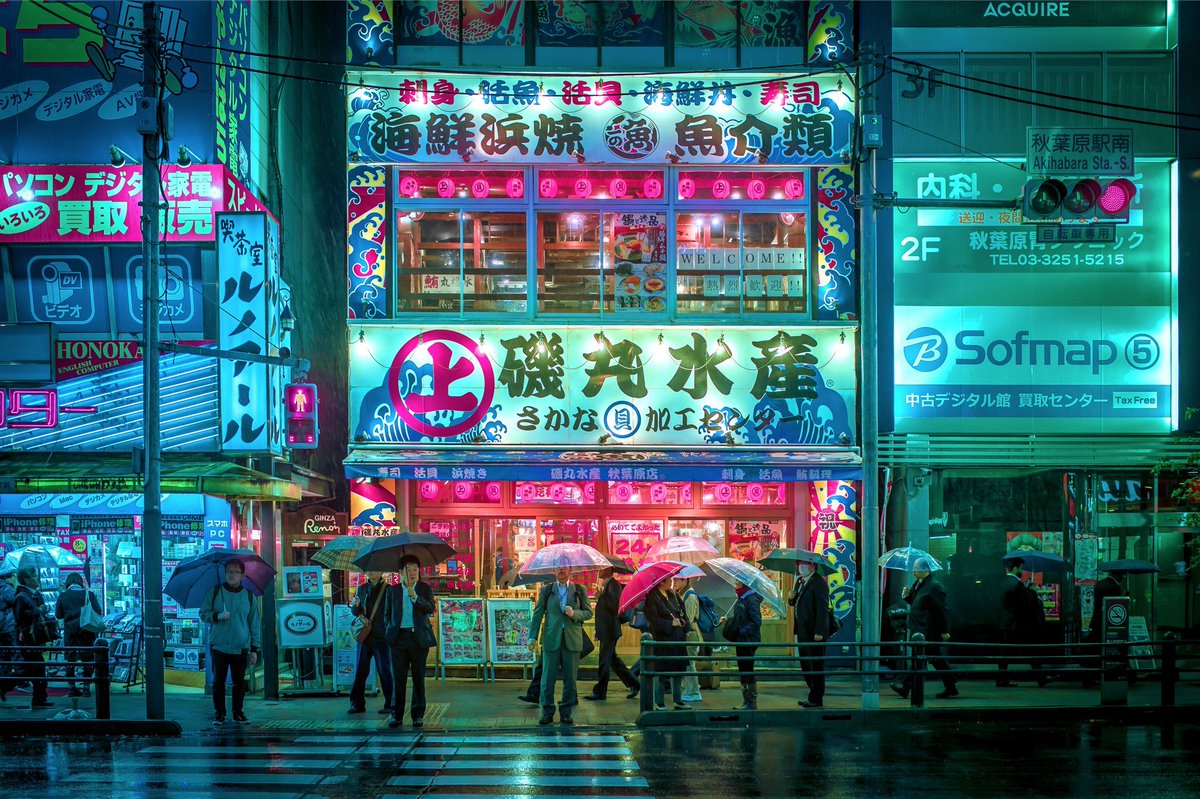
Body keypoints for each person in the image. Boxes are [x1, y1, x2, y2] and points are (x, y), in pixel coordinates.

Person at [200, 558, 262, 724]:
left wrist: (254, 648)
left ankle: (238, 712)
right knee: (218, 682)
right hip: (219, 645)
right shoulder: (214, 592)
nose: (231, 574)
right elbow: (203, 613)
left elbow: (254, 623)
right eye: (228, 571)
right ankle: (219, 713)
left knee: (239, 683)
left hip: (240, 646)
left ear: (242, 574)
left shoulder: (249, 596)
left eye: (235, 571)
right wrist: (216, 616)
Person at [529, 567, 592, 725]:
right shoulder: (547, 590)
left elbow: (588, 613)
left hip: (572, 639)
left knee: (570, 680)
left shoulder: (579, 590)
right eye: (558, 568)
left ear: (571, 570)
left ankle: (566, 711)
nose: (562, 570)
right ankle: (547, 711)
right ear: (554, 571)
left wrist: (574, 614)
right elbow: (538, 614)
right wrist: (532, 637)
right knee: (547, 679)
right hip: (551, 638)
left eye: (565, 567)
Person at [892, 558, 958, 699]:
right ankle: (951, 684)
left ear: (925, 570)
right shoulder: (919, 584)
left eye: (917, 570)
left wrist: (944, 631)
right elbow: (916, 603)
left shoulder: (935, 587)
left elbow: (941, 611)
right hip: (919, 628)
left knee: (920, 658)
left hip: (927, 630)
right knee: (935, 658)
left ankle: (903, 684)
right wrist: (906, 596)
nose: (914, 572)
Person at [384, 556, 436, 729]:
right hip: (398, 639)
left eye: (415, 569)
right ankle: (396, 715)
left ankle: (418, 714)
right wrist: (390, 633)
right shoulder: (393, 591)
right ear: (401, 573)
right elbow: (387, 615)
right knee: (398, 679)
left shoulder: (424, 588)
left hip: (418, 639)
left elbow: (430, 608)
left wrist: (415, 598)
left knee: (418, 678)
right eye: (409, 569)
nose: (413, 573)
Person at [585, 567, 639, 702]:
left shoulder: (613, 585)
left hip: (610, 629)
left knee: (604, 661)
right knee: (613, 661)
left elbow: (616, 606)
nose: (599, 571)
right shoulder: (607, 585)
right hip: (606, 628)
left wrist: (600, 597)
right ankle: (635, 684)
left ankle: (600, 691)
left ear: (609, 570)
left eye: (603, 568)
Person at [996, 559, 1048, 688]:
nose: (1022, 571)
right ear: (1014, 569)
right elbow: (1026, 603)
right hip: (1018, 624)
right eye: (1021, 568)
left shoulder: (1002, 583)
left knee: (1005, 652)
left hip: (1007, 622)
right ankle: (1041, 677)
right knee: (1031, 650)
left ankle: (1002, 679)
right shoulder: (1017, 584)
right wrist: (1031, 590)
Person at [348, 571, 393, 715]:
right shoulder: (361, 589)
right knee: (361, 671)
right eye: (368, 570)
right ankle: (357, 703)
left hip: (381, 636)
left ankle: (390, 703)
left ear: (380, 572)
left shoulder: (388, 589)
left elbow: (391, 612)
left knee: (385, 671)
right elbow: (357, 613)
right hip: (365, 636)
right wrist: (355, 607)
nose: (370, 572)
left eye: (374, 569)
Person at [644, 578, 691, 711]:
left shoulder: (673, 595)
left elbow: (682, 612)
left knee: (678, 669)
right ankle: (659, 701)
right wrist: (669, 624)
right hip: (662, 638)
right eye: (668, 580)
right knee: (661, 671)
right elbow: (652, 619)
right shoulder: (653, 597)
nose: (671, 582)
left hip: (678, 637)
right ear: (660, 582)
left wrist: (684, 624)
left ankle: (678, 700)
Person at [790, 561, 831, 708]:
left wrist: (819, 631)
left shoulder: (818, 583)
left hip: (814, 632)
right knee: (806, 664)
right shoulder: (800, 582)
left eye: (803, 565)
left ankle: (816, 698)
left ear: (812, 566)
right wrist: (791, 597)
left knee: (815, 665)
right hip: (803, 630)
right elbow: (794, 603)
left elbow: (822, 609)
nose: (800, 568)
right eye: (799, 565)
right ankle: (812, 695)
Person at [55, 573, 103, 697]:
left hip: (71, 633)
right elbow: (98, 610)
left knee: (70, 660)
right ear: (80, 582)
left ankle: (72, 688)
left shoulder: (63, 596)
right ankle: (86, 687)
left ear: (68, 583)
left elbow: (58, 615)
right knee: (87, 660)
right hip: (87, 631)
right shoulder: (89, 594)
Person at [12, 568, 55, 709]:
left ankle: (40, 698)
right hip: (28, 639)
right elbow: (20, 617)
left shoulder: (34, 595)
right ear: (26, 579)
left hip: (36, 638)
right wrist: (38, 610)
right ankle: (7, 684)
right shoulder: (21, 597)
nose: (36, 578)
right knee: (34, 669)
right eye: (33, 576)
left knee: (38, 668)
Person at [718, 580, 763, 710]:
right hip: (741, 640)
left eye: (738, 582)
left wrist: (742, 631)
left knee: (747, 670)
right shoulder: (741, 598)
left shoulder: (751, 599)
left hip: (748, 640)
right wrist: (728, 621)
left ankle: (751, 701)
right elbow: (740, 618)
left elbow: (756, 621)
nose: (735, 583)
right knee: (743, 670)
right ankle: (746, 700)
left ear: (745, 583)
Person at [1083, 570, 1124, 687]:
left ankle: (1091, 676)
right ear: (1116, 574)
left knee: (1094, 650)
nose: (1123, 576)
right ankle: (1097, 676)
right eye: (1122, 574)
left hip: (1096, 622)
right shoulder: (1114, 586)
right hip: (1107, 624)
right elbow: (1115, 605)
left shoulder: (1100, 584)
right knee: (1103, 650)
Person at [678, 578, 704, 703]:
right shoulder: (683, 594)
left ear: (685, 580)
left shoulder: (690, 595)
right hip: (688, 633)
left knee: (690, 664)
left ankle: (693, 692)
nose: (675, 582)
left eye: (678, 580)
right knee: (686, 663)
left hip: (691, 634)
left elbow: (688, 617)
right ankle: (689, 690)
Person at [0, 566, 17, 702]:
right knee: (16, 655)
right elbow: (16, 601)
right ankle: (6, 684)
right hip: (8, 626)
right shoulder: (7, 589)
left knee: (3, 656)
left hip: (2, 627)